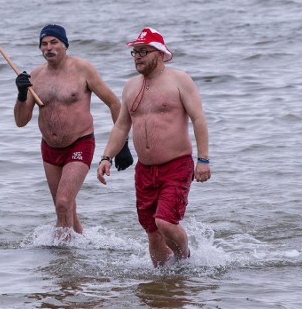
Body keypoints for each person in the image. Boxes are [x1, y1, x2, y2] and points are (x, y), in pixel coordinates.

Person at [97, 27, 210, 267]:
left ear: (159, 53)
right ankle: (161, 282)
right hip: (145, 170)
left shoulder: (179, 80)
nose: (137, 56)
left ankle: (184, 264)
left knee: (165, 222)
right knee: (152, 230)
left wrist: (203, 160)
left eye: (143, 51)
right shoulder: (130, 86)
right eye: (135, 52)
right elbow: (121, 126)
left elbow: (199, 119)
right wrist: (106, 157)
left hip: (176, 165)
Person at [14, 24, 125, 236]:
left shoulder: (83, 69)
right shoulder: (36, 77)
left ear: (65, 45)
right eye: (44, 44)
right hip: (49, 148)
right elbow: (21, 121)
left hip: (79, 143)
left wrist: (122, 144)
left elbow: (114, 103)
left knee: (63, 203)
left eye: (54, 42)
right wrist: (21, 94)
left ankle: (62, 257)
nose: (49, 47)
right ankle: (81, 247)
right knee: (66, 208)